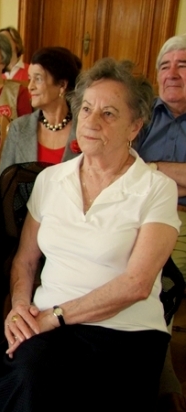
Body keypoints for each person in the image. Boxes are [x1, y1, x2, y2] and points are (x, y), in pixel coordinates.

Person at [0, 58, 180, 412]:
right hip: (46, 324)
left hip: (124, 331)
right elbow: (25, 260)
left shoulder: (156, 188)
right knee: (22, 376)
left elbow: (137, 284)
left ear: (135, 126)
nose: (91, 121)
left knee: (50, 385)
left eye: (108, 113)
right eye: (87, 109)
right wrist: (19, 308)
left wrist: (55, 316)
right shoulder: (50, 180)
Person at [135, 33, 186, 409]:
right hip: (146, 216)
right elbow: (125, 166)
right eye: (165, 66)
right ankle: (160, 382)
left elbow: (140, 168)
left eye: (183, 65)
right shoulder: (141, 115)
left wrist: (152, 168)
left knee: (160, 281)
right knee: (151, 282)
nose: (172, 74)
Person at [0, 47, 82, 182]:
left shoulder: (83, 129)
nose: (30, 87)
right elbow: (2, 184)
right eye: (30, 79)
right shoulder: (19, 128)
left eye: (38, 79)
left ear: (62, 85)